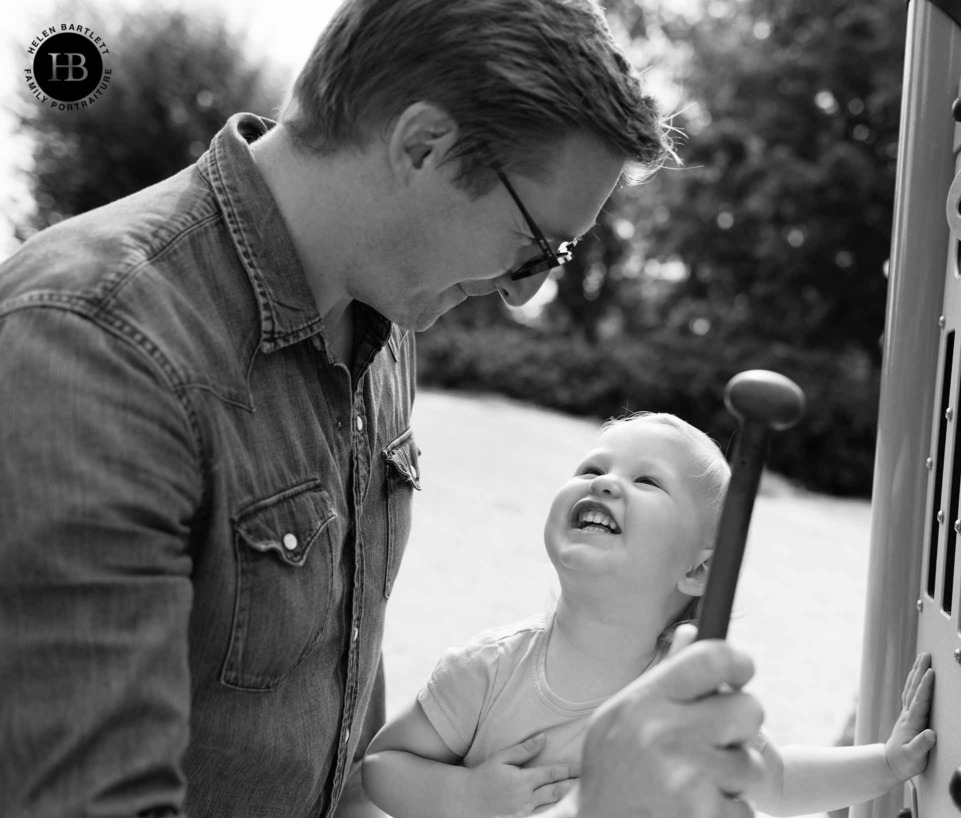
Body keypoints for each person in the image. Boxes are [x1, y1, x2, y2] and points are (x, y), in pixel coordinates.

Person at [0, 2, 766, 817]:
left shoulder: (387, 318)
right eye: (538, 246)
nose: (525, 294)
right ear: (423, 146)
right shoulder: (98, 343)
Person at [362, 413, 937, 817]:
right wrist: (465, 800)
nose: (606, 481)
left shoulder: (682, 691)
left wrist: (886, 764)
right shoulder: (488, 670)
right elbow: (385, 763)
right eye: (592, 469)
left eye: (646, 481)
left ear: (698, 572)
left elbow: (777, 781)